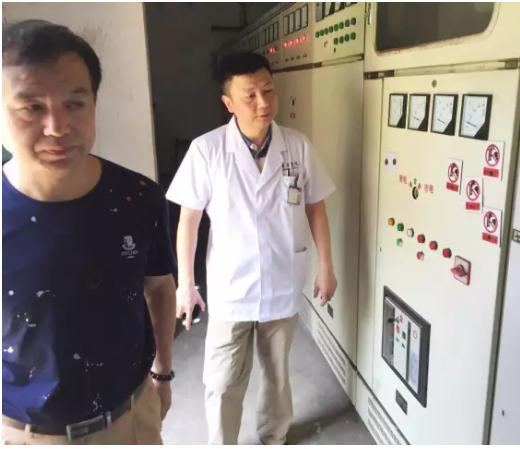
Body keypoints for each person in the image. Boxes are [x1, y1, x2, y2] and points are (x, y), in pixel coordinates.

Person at [2, 20, 177, 444]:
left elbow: (159, 287)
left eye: (74, 104)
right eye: (31, 108)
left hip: (132, 418)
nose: (57, 127)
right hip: (29, 435)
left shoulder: (138, 197)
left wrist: (163, 372)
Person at [166, 51, 338, 445]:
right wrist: (186, 284)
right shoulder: (207, 150)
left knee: (277, 372)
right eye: (250, 96)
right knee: (223, 379)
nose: (263, 103)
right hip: (231, 286)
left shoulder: (297, 146)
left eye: (268, 91)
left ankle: (273, 435)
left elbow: (316, 208)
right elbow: (189, 220)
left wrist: (326, 266)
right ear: (228, 102)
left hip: (282, 278)